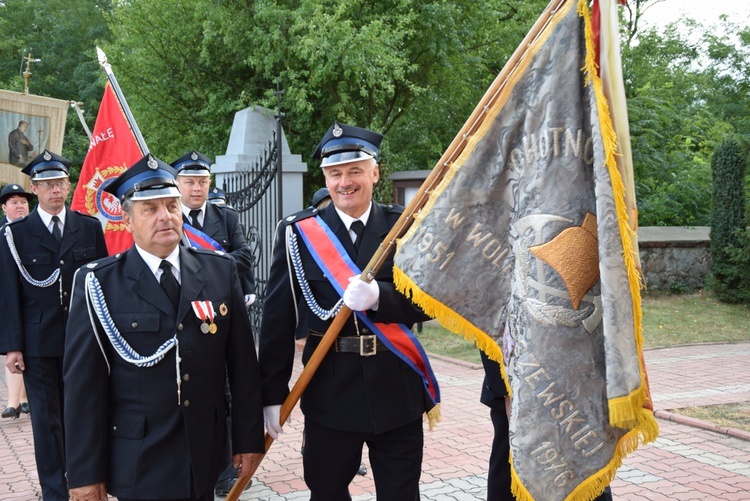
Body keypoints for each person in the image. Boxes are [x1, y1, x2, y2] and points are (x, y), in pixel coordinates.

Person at [62, 154, 265, 501]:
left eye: (172, 206)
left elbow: (242, 365)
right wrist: (84, 472)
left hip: (206, 449)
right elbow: (83, 387)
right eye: (150, 209)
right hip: (139, 455)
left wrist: (248, 440)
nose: (165, 217)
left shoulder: (218, 271)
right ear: (127, 219)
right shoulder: (99, 283)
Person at [259, 121, 437, 500]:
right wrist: (271, 394)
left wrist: (380, 298)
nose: (345, 182)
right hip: (330, 390)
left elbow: (431, 302)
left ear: (374, 172)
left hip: (396, 387)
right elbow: (278, 321)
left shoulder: (402, 227)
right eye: (335, 173)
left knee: (402, 494)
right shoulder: (298, 233)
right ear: (325, 177)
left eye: (354, 171)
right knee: (326, 491)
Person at [0, 150, 108, 501]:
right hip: (39, 343)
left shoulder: (89, 227)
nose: (55, 189)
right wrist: (13, 346)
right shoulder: (16, 235)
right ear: (35, 188)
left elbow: (105, 286)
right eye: (47, 184)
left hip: (85, 341)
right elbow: (8, 294)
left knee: (85, 417)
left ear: (67, 184)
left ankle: (88, 484)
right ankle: (55, 492)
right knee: (47, 425)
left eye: (60, 182)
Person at [171, 151, 257, 496]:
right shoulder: (170, 217)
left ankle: (224, 470)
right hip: (184, 316)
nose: (197, 188)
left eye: (203, 181)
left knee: (225, 393)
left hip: (220, 312)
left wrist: (210, 267)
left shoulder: (226, 217)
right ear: (178, 185)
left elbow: (244, 257)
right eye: (190, 182)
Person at [481, 353, 614, 501]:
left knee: (587, 468)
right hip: (521, 387)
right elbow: (493, 332)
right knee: (514, 473)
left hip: (577, 386)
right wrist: (505, 390)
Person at [0, 184, 34, 420]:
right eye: (13, 202)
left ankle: (22, 399)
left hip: (33, 298)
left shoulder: (35, 230)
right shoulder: (1, 233)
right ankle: (14, 400)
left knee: (29, 347)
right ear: (4, 208)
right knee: (13, 345)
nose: (20, 206)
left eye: (23, 202)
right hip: (7, 298)